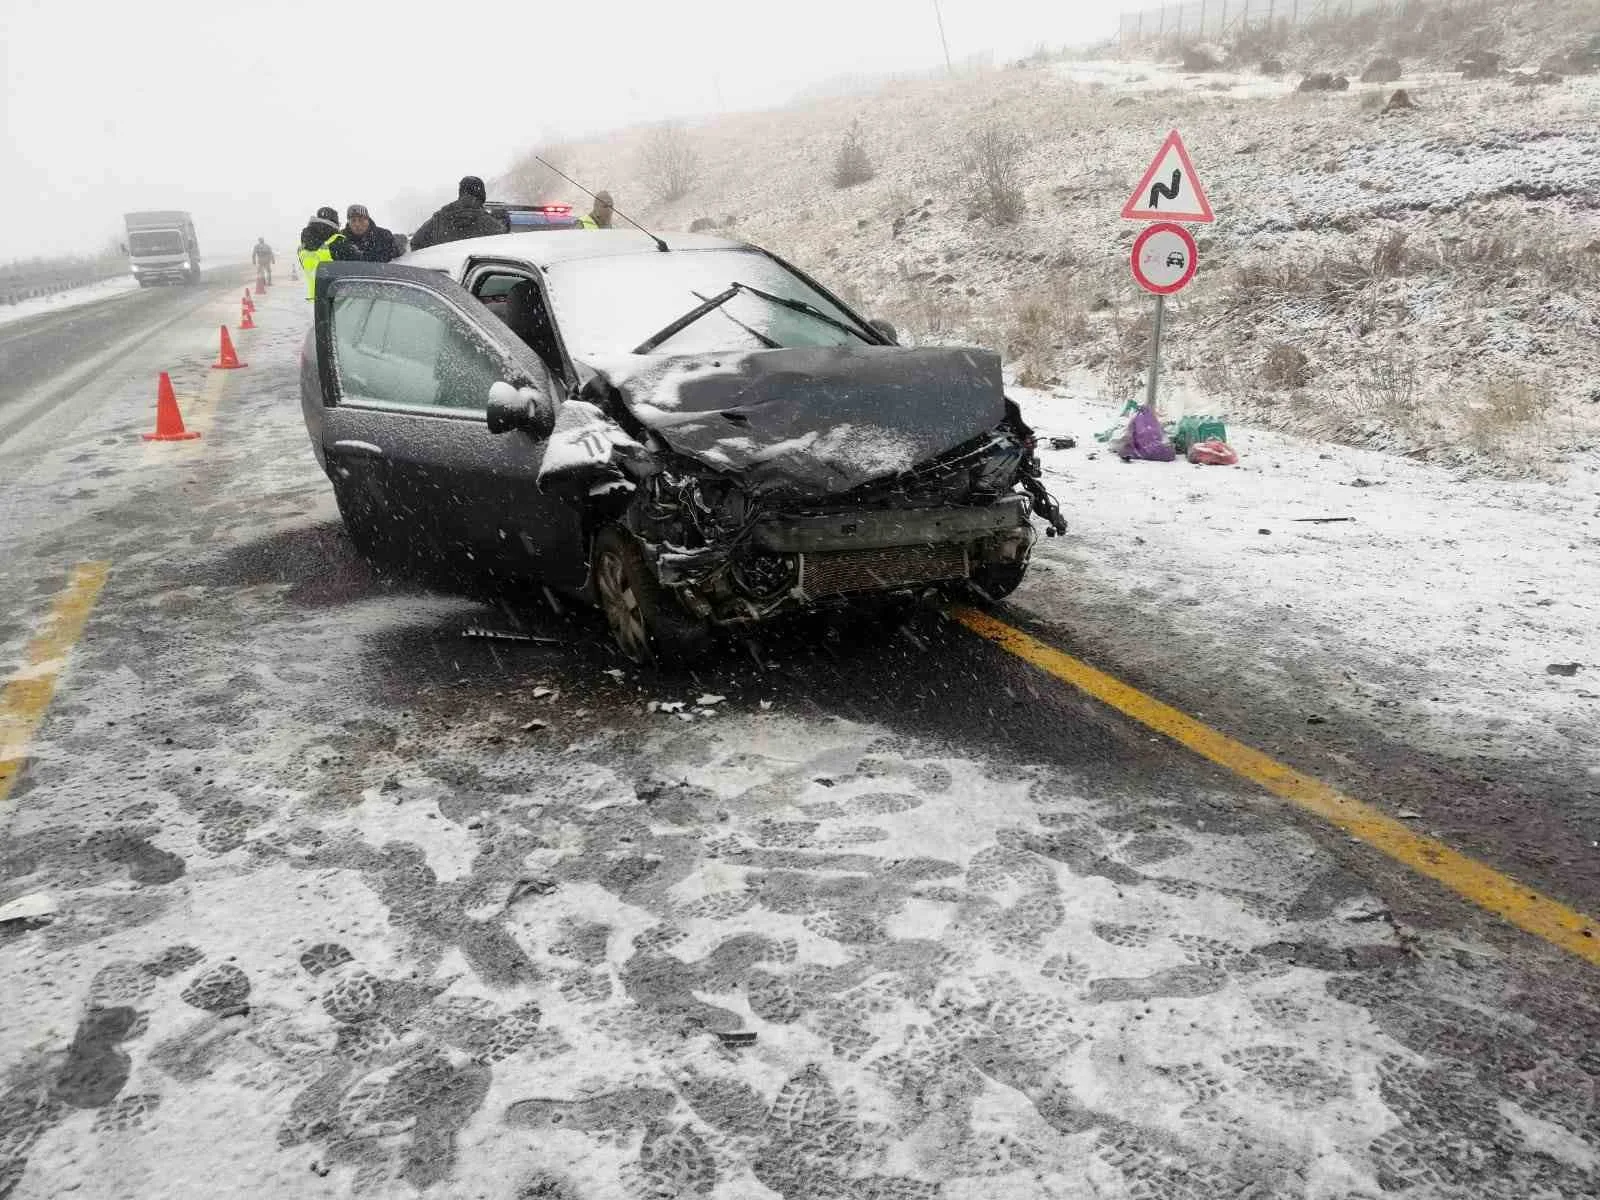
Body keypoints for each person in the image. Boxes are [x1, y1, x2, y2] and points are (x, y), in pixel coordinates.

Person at [409, 176, 503, 250]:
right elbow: (503, 249)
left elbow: (415, 243)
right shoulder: (490, 224)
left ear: (461, 193)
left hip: (444, 272)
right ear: (481, 198)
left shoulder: (439, 219)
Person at [297, 207, 344, 301]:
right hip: (336, 298)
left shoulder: (303, 246)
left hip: (315, 299)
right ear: (334, 222)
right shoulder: (338, 241)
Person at [329, 204, 401, 263]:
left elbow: (398, 261)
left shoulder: (384, 236)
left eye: (361, 220)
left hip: (381, 279)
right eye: (353, 220)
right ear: (349, 222)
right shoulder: (339, 240)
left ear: (368, 220)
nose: (357, 224)